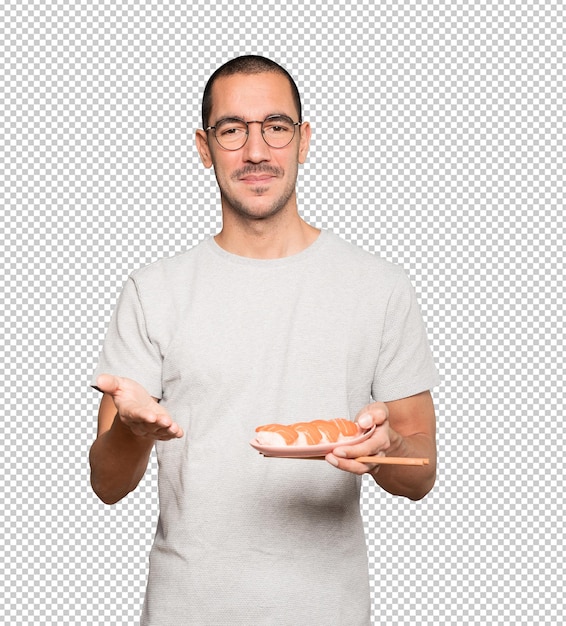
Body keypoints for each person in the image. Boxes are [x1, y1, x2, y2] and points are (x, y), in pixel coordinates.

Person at [89, 55, 439, 626]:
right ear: (203, 148)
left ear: (304, 140)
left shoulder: (380, 287)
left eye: (276, 127)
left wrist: (386, 450)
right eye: (232, 131)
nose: (256, 151)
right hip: (187, 611)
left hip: (330, 613)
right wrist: (133, 431)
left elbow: (421, 474)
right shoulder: (152, 291)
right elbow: (107, 484)